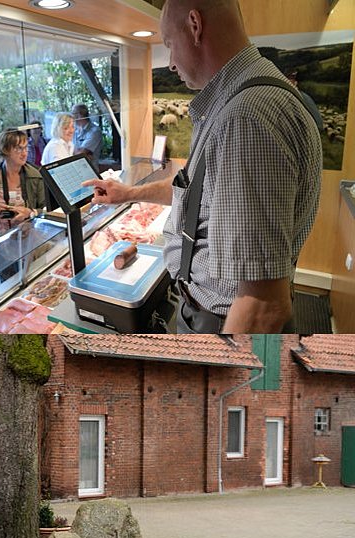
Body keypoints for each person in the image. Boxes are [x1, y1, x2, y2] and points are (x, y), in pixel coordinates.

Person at [83, 0, 322, 334]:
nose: (169, 64)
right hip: (211, 312)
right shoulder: (237, 101)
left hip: (223, 322)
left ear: (195, 26)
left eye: (168, 43)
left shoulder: (244, 118)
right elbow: (198, 190)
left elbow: (263, 305)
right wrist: (129, 194)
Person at [0, 129, 46, 242]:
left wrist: (30, 213)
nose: (24, 153)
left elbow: (46, 210)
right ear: (5, 150)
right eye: (19, 148)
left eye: (25, 148)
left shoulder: (36, 175)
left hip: (27, 241)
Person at [72, 103, 103, 171]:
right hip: (76, 169)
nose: (72, 117)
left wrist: (74, 152)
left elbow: (80, 154)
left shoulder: (94, 131)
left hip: (90, 171)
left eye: (73, 113)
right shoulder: (74, 130)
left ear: (79, 115)